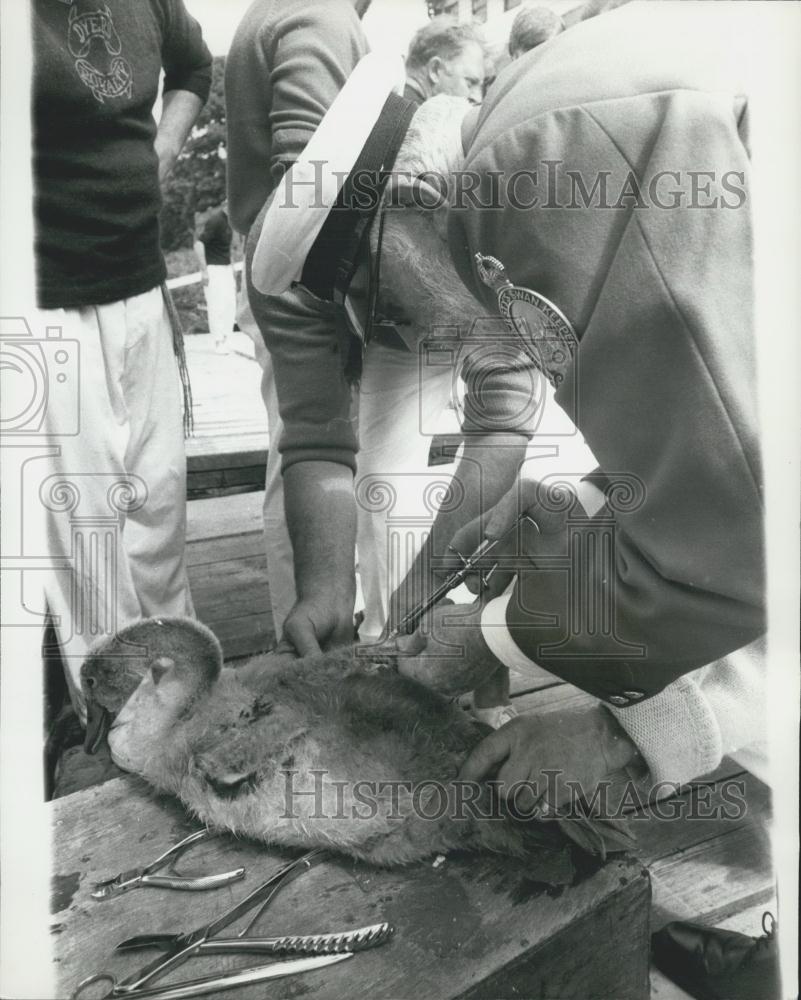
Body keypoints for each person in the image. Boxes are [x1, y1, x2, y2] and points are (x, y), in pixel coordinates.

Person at [250, 1, 766, 793]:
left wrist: (515, 653)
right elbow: (735, 429)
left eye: (364, 290)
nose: (379, 324)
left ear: (408, 209)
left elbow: (746, 516)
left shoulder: (524, 166)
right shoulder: (524, 131)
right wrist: (594, 506)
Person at [33, 0, 211, 717]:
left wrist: (162, 147)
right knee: (88, 544)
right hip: (45, 298)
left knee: (156, 506)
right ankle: (112, 726)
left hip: (137, 280)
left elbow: (194, 65)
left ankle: (184, 696)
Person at [225, 0, 372, 639]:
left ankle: (312, 617)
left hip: (280, 275)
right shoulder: (321, 15)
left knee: (297, 450)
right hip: (305, 283)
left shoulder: (279, 9)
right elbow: (305, 197)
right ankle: (317, 631)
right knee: (311, 450)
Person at [404, 18, 485, 107]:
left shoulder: (394, 103)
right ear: (435, 70)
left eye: (481, 87)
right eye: (470, 83)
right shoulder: (417, 116)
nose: (478, 98)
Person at [194, 203, 236, 354]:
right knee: (216, 305)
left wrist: (231, 268)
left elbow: (227, 247)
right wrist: (204, 270)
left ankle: (225, 339)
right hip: (213, 269)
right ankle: (218, 341)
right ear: (227, 204)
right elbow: (199, 244)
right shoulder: (215, 221)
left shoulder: (230, 222)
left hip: (225, 268)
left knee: (230, 305)